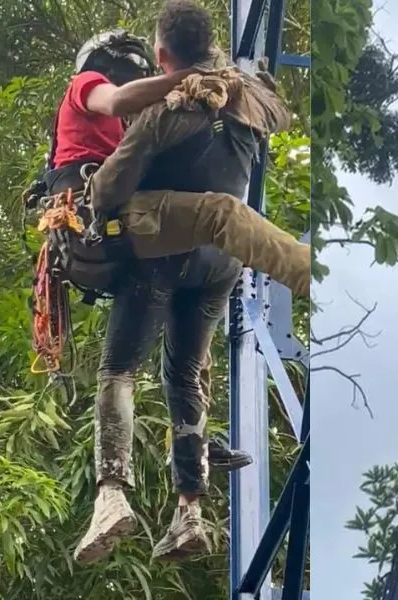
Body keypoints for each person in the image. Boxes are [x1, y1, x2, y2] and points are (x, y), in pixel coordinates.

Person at [72, 0, 295, 565]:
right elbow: (280, 115)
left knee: (118, 370)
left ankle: (112, 495)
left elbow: (110, 189)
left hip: (164, 257)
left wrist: (91, 199)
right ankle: (188, 514)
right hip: (222, 263)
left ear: (162, 55)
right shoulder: (250, 99)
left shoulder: (165, 112)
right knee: (185, 375)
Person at [42, 29, 255, 474]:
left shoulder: (134, 122)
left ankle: (191, 434)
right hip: (90, 213)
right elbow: (116, 101)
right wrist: (195, 74)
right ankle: (117, 477)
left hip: (123, 223)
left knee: (188, 342)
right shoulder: (86, 86)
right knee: (124, 364)